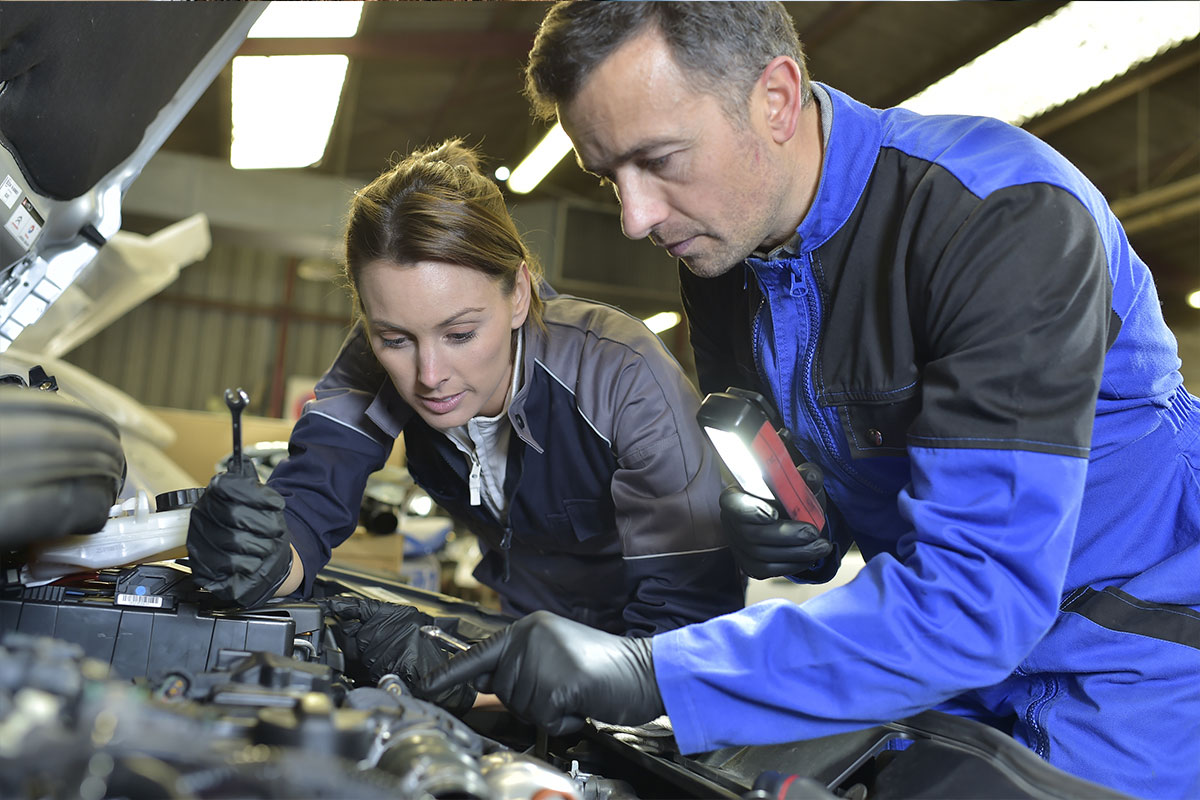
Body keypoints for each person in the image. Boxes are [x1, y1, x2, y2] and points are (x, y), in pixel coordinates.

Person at [421, 3, 1200, 797]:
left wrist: (654, 670)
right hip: (929, 659)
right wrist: (805, 525)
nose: (634, 217)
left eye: (658, 160)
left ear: (778, 100)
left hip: (1134, 662)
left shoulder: (1001, 216)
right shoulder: (725, 254)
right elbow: (819, 491)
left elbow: (975, 599)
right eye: (609, 176)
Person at [185, 138, 744, 700]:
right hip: (518, 629)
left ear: (519, 293)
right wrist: (256, 558)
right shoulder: (374, 357)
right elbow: (309, 501)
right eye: (395, 339)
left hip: (646, 653)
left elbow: (692, 608)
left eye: (460, 334)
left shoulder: (622, 375)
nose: (430, 374)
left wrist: (619, 689)